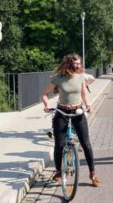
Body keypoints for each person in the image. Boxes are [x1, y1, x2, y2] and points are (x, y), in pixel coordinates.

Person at [41, 54, 100, 187]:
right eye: (76, 64)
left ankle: (93, 174)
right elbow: (44, 94)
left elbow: (84, 93)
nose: (79, 66)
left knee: (86, 144)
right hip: (62, 112)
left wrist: (88, 105)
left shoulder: (81, 77)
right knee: (59, 145)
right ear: (68, 64)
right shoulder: (58, 78)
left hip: (78, 111)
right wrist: (46, 105)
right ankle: (58, 171)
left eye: (80, 63)